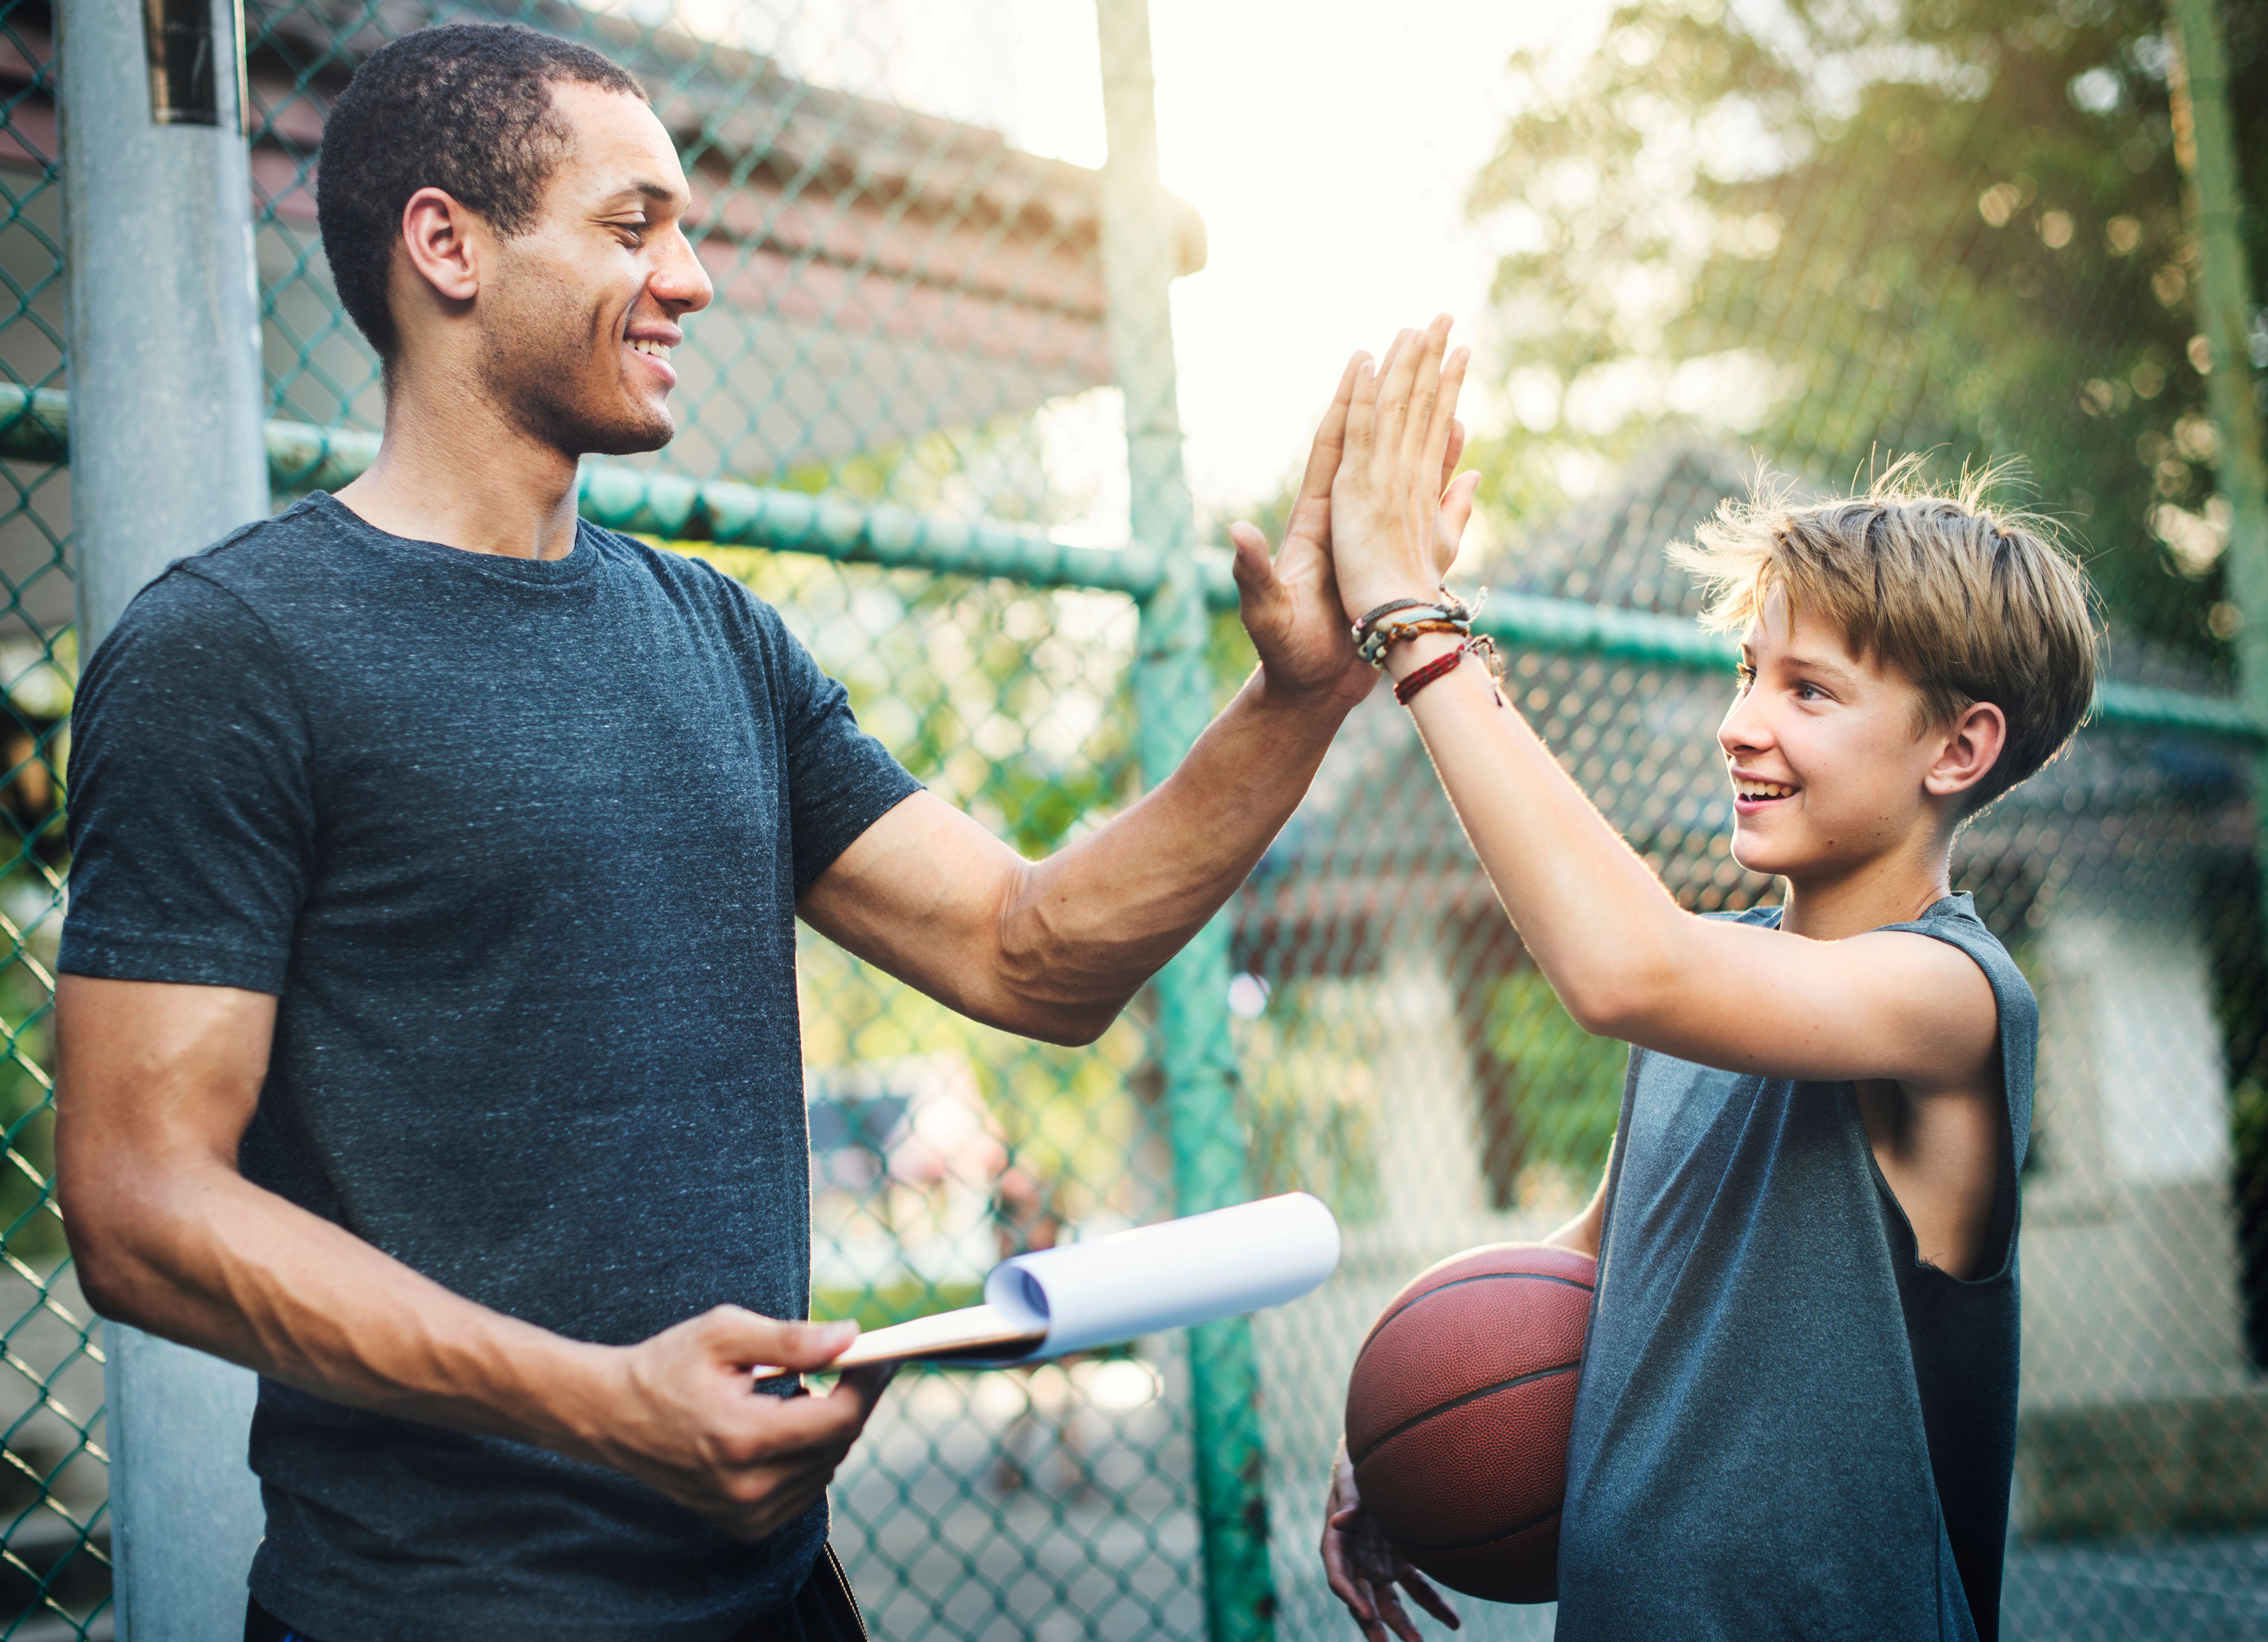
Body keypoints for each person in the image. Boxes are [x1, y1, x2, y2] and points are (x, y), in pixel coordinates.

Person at [52, 25, 1464, 1642]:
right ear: (447, 245)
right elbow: (140, 1202)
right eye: (633, 226)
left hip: (778, 1599)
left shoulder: (718, 639)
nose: (693, 279)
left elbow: (1033, 955)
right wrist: (598, 1402)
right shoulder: (230, 652)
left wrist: (1297, 701)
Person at [1316, 320, 2095, 1641]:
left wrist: (1415, 621)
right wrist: (1410, 1436)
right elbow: (1599, 1258)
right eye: (1749, 673)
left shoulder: (1954, 1003)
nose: (1740, 723)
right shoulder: (1706, 994)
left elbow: (1629, 964)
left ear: (1959, 749)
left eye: (1809, 691)